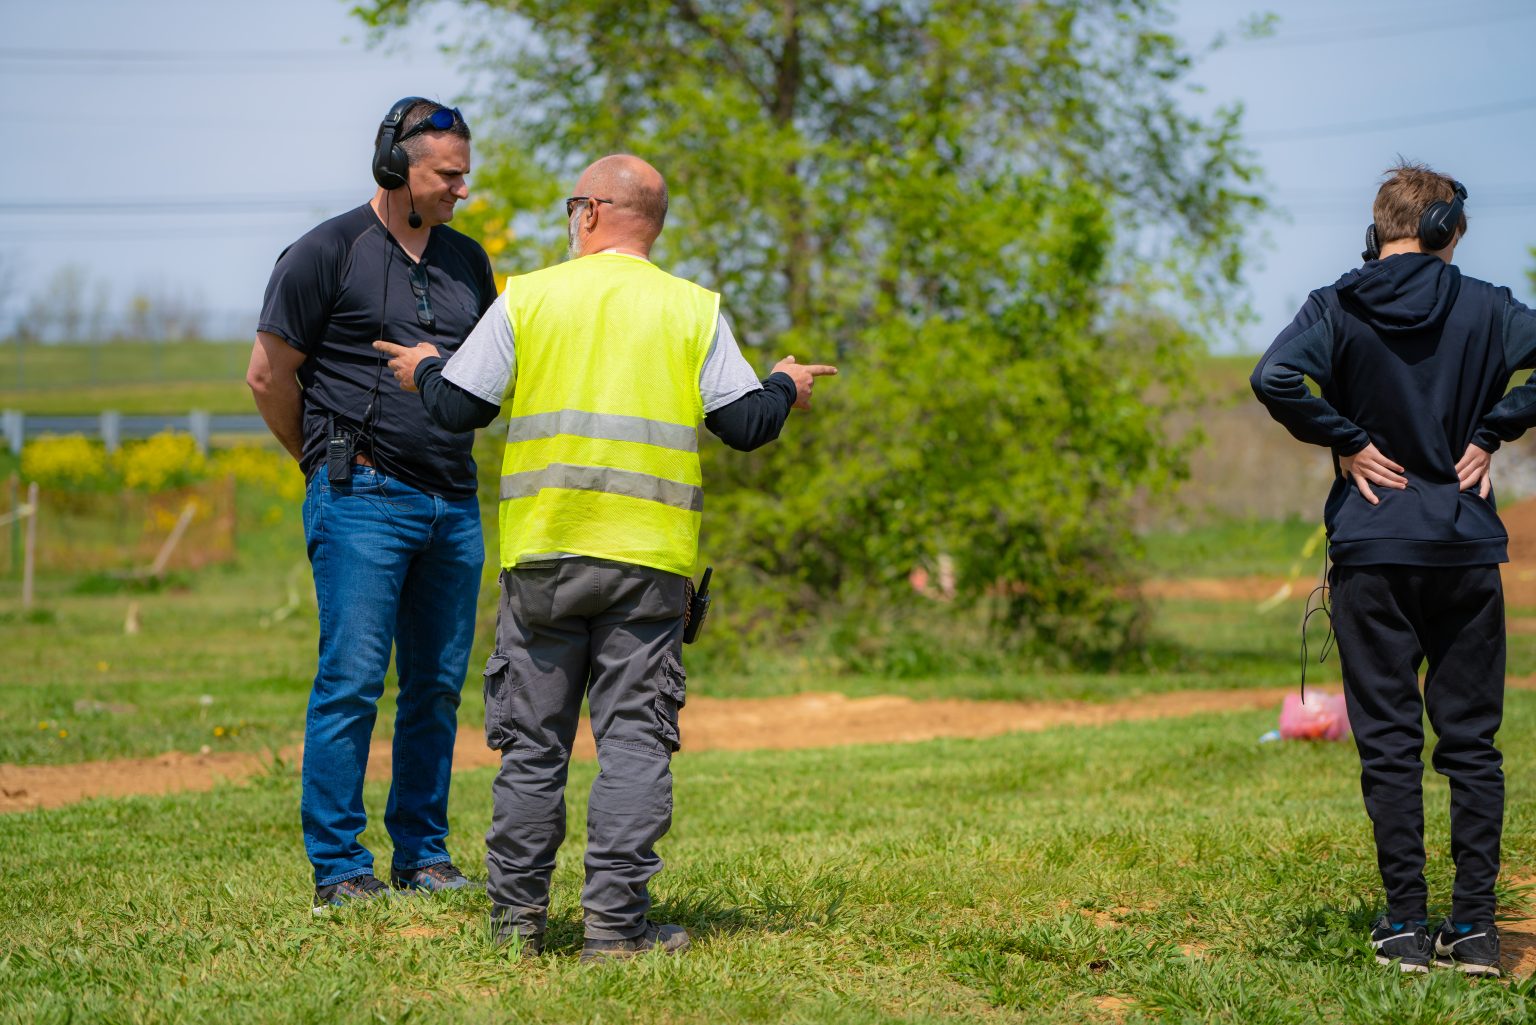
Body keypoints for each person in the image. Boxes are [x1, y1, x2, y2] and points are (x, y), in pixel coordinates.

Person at [375, 153, 836, 960]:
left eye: (569, 205)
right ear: (650, 222)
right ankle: (615, 932)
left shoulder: (532, 296)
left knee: (534, 748)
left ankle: (516, 927)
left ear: (588, 212)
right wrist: (784, 385)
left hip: (545, 558)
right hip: (648, 565)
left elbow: (460, 407)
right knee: (632, 745)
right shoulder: (692, 308)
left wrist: (424, 369)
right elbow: (746, 425)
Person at [1251, 162, 1536, 977]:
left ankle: (1406, 924)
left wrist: (1343, 436)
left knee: (1388, 745)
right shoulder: (1487, 304)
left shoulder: (1336, 304)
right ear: (1445, 230)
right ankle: (1475, 928)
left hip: (1372, 551)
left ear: (1380, 229)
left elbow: (1272, 375)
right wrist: (1496, 431)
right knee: (1472, 745)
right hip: (1463, 547)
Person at [246, 98, 499, 908]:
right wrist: (317, 463)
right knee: (352, 679)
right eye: (447, 174)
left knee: (434, 687)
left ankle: (423, 853)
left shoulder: (469, 261)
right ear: (396, 165)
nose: (461, 187)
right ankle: (341, 867)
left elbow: (484, 376)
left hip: (453, 502)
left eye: (466, 172)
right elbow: (267, 374)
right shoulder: (327, 250)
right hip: (362, 496)